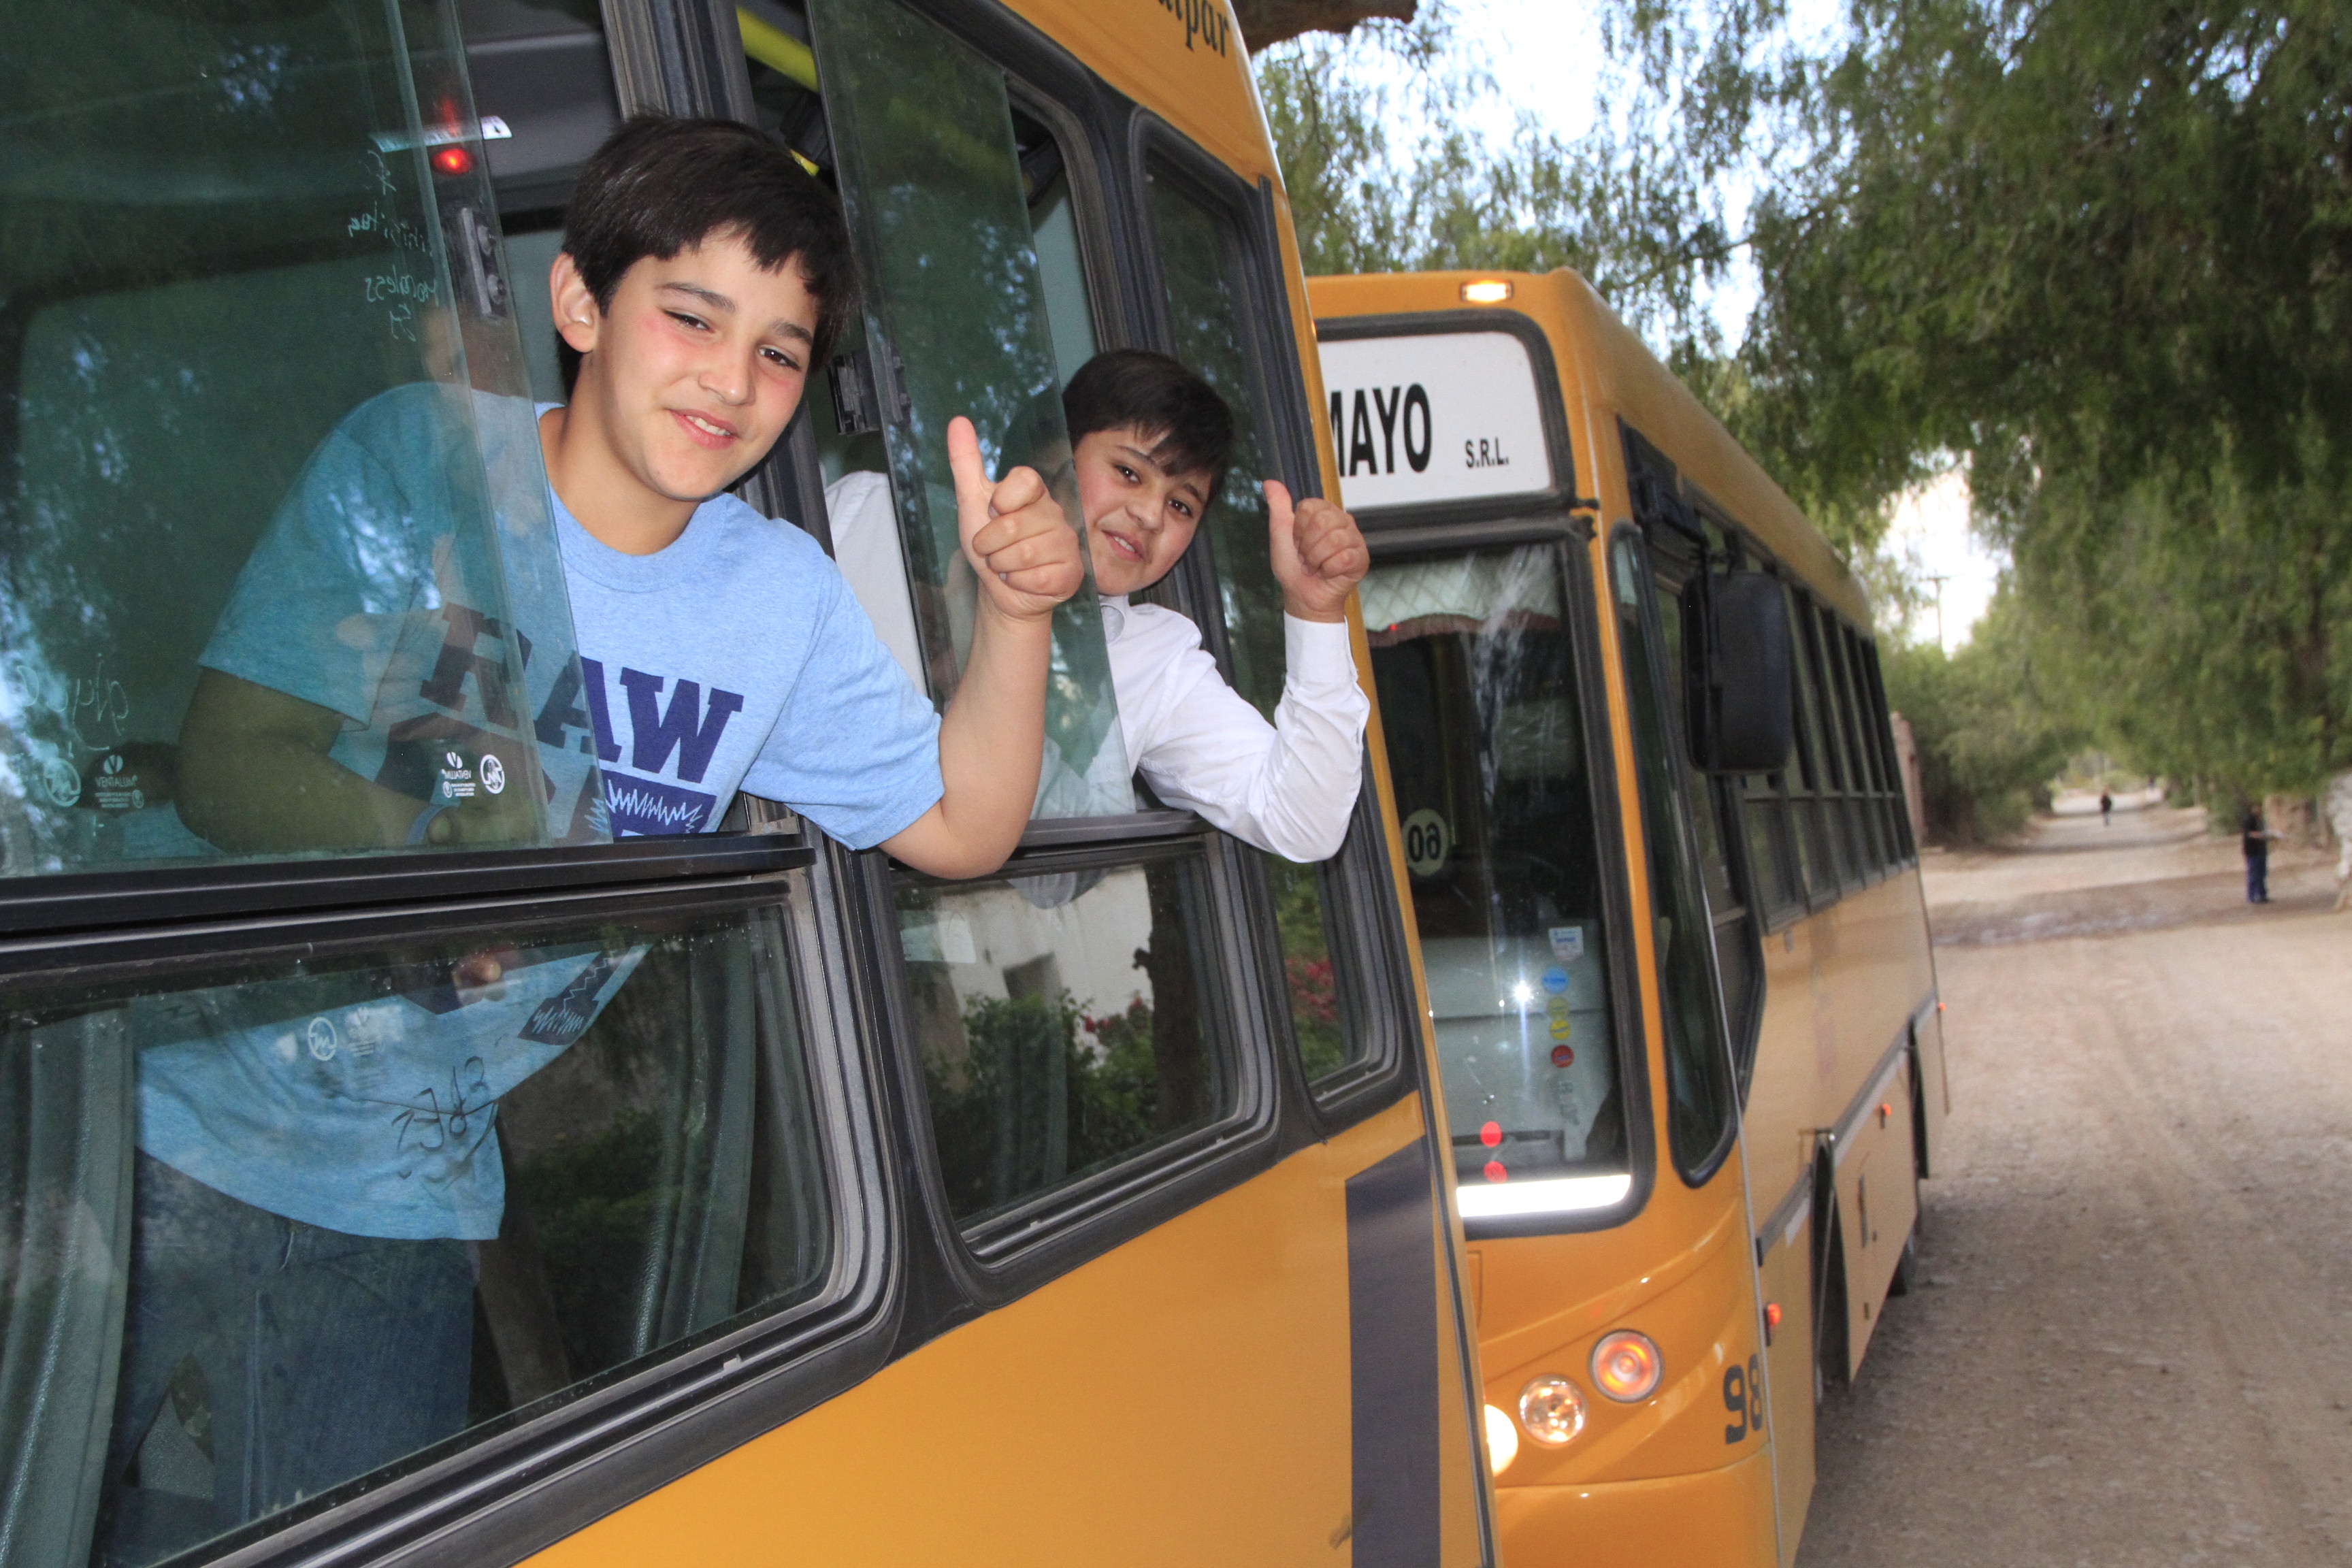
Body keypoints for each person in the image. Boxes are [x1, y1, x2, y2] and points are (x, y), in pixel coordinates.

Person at [104, 116, 1081, 1555]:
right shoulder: (425, 460)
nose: (731, 380)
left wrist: (1017, 615)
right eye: (691, 316)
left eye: (780, 352)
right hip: (172, 1120)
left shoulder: (778, 597)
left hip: (406, 1189)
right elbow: (226, 764)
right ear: (580, 302)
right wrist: (454, 855)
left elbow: (963, 824)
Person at [830, 348, 1372, 861]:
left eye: (1181, 505)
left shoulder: (1154, 657)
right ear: (1053, 455)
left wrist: (1316, 611)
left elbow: (1302, 822)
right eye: (1130, 473)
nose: (1151, 516)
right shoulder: (873, 516)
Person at [2242, 805, 2275, 903]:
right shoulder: (2249, 820)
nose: (2259, 810)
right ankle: (2252, 896)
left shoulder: (2261, 820)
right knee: (2253, 874)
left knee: (2262, 873)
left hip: (2261, 851)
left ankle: (2262, 895)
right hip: (2253, 851)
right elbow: (2249, 834)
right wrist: (2263, 835)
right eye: (2256, 808)